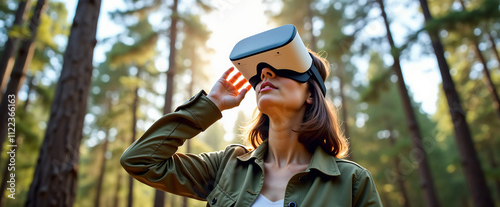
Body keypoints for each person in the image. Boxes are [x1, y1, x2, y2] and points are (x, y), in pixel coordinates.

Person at [121, 27, 382, 207]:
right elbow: (140, 161)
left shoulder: (351, 182)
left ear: (310, 95)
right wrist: (210, 105)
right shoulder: (227, 166)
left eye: (282, 69)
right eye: (260, 73)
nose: (266, 74)